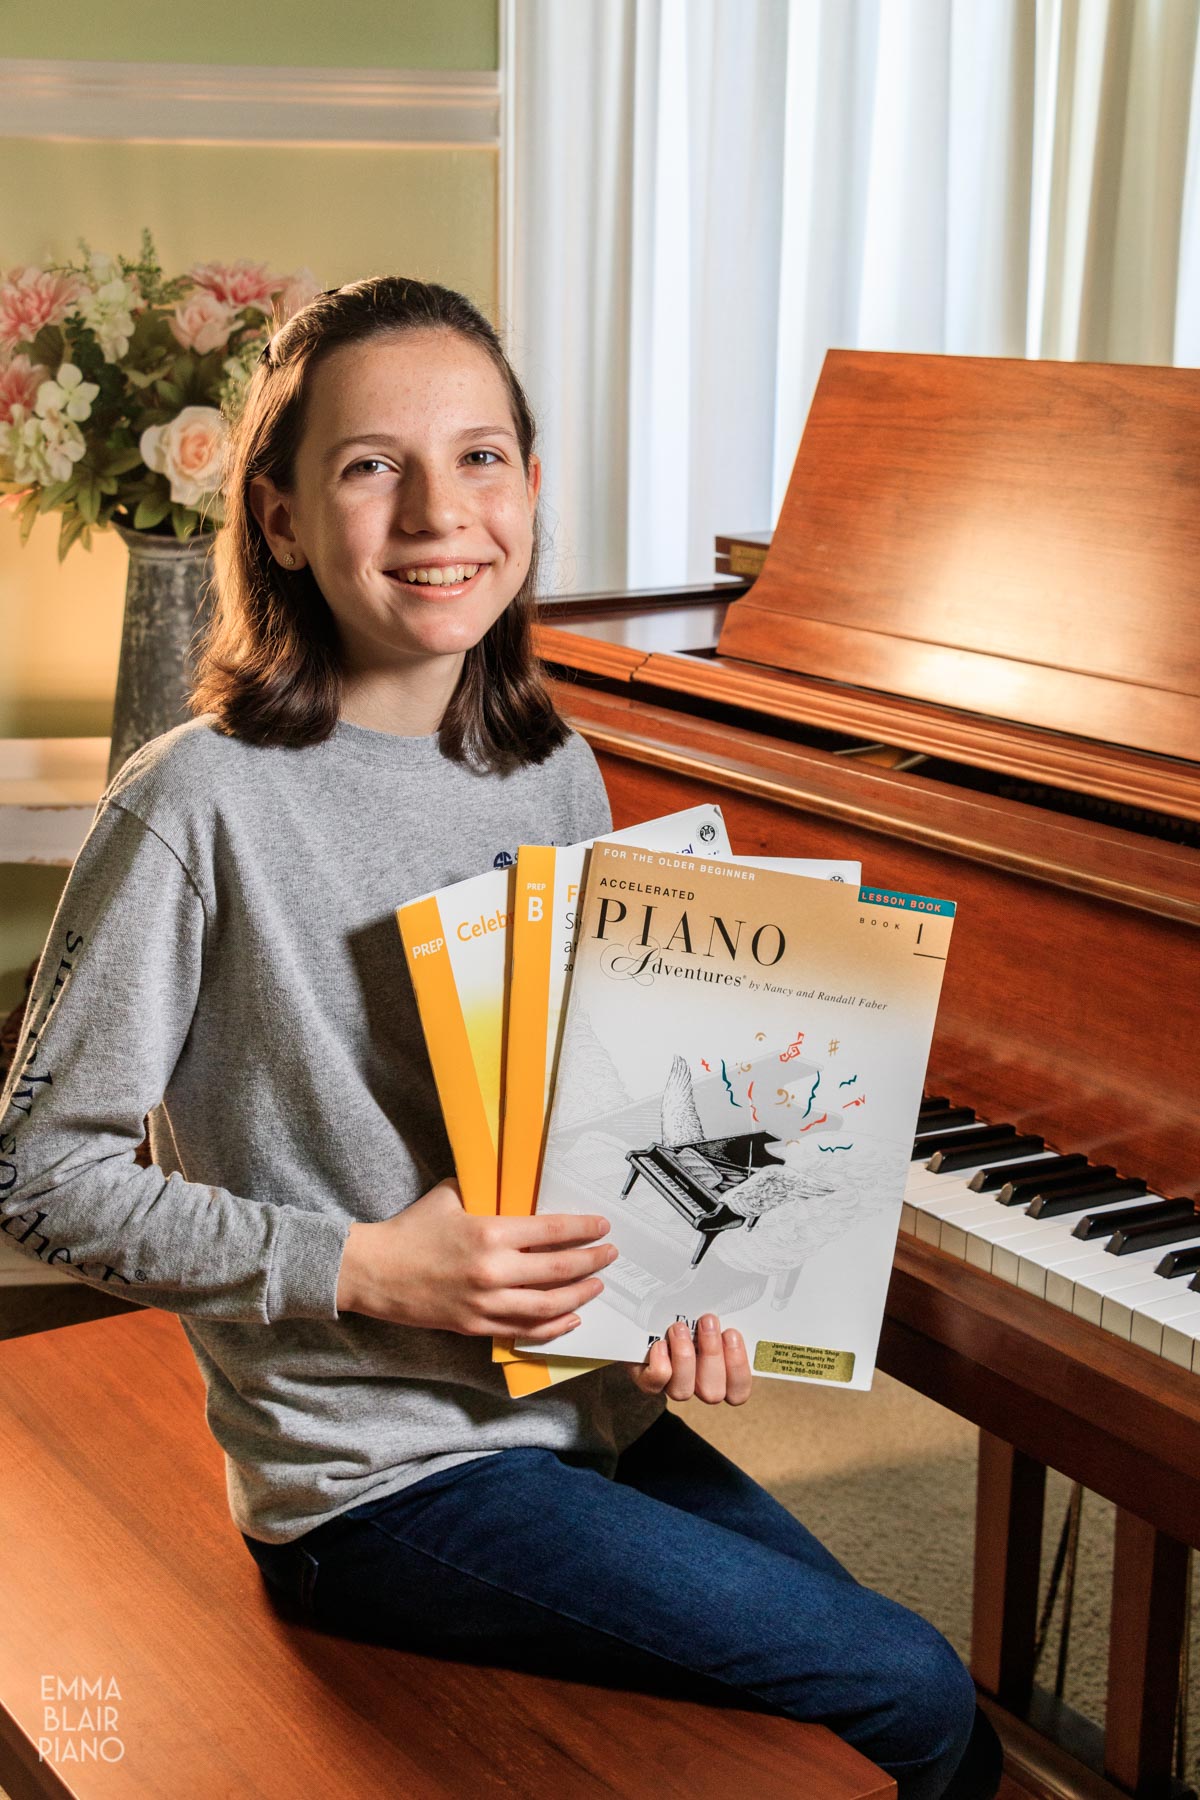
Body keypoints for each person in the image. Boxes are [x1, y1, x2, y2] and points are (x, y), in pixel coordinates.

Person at [0, 277, 1000, 1800]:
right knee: (915, 1695)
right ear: (277, 518)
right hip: (377, 1486)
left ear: (531, 492)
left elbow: (591, 1136)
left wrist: (676, 1305)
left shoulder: (554, 770)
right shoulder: (194, 801)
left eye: (478, 458)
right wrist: (363, 1264)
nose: (433, 510)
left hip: (575, 1420)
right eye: (366, 463)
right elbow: (33, 1181)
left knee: (902, 1696)